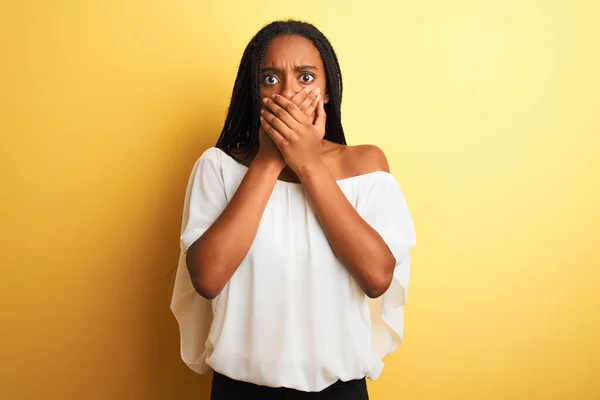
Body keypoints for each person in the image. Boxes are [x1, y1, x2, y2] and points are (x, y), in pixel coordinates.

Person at [170, 19, 416, 400]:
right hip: (239, 391)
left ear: (327, 91)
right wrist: (269, 162)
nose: (287, 92)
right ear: (255, 93)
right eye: (270, 79)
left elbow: (376, 277)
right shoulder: (217, 167)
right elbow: (207, 278)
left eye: (304, 77)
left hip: (340, 391)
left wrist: (307, 164)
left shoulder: (366, 165)